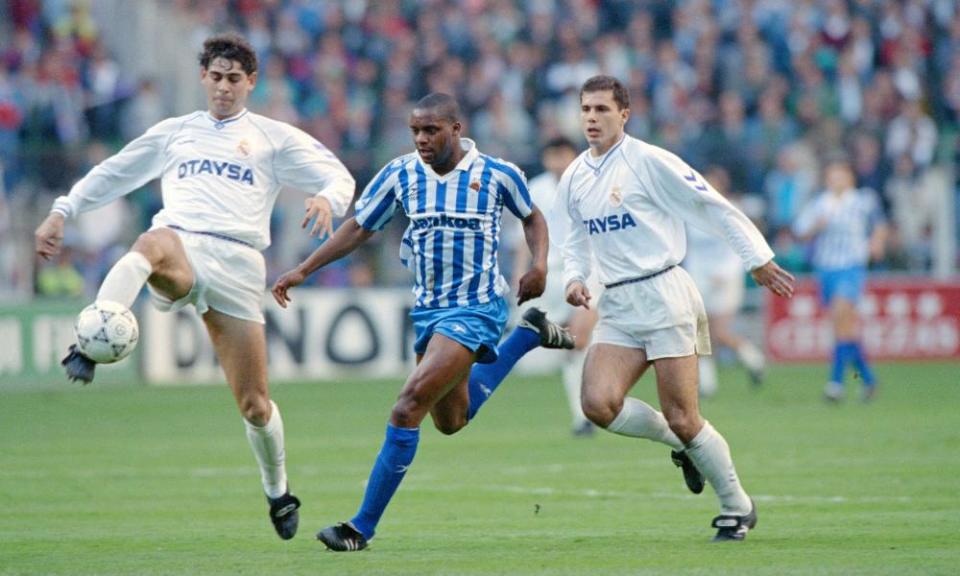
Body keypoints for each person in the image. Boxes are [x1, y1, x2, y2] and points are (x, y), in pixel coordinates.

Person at [33, 33, 356, 541]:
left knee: (254, 404)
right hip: (181, 245)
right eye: (216, 77)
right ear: (203, 78)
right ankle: (89, 343)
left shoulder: (273, 137)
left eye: (234, 79)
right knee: (151, 243)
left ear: (250, 82)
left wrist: (326, 199)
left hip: (239, 265)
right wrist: (63, 210)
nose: (223, 87)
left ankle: (278, 492)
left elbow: (336, 174)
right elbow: (116, 172)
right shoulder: (175, 132)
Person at [271, 93, 574, 552]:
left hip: (477, 308)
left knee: (407, 404)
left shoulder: (496, 174)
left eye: (430, 130)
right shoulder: (401, 173)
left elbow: (532, 217)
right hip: (429, 310)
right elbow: (359, 226)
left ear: (455, 128)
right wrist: (304, 269)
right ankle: (528, 334)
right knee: (450, 421)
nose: (421, 139)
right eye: (415, 131)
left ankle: (360, 528)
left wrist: (540, 264)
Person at [558, 75, 795, 542]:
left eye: (602, 109)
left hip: (665, 293)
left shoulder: (649, 161)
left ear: (624, 114)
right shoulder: (575, 175)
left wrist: (756, 258)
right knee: (597, 404)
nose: (591, 118)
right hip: (620, 303)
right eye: (586, 109)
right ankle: (680, 447)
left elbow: (711, 204)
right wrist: (574, 278)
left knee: (686, 416)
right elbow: (575, 241)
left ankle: (737, 506)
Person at [511, 136, 600, 436]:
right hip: (550, 275)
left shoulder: (591, 182)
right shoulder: (535, 189)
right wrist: (520, 273)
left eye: (563, 154)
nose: (557, 162)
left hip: (589, 272)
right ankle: (583, 416)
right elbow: (525, 237)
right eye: (552, 155)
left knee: (580, 339)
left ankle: (589, 409)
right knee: (571, 347)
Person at [793, 157, 887, 402]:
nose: (835, 180)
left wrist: (877, 242)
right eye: (831, 175)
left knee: (840, 317)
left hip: (852, 267)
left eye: (840, 175)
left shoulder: (863, 200)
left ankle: (835, 383)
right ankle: (868, 379)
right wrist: (816, 226)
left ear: (849, 178)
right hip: (826, 269)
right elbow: (800, 232)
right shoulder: (819, 204)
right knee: (843, 328)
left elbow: (880, 224)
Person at [682, 165, 766, 397]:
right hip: (700, 279)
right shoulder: (690, 213)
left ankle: (754, 360)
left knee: (719, 333)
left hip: (726, 280)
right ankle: (707, 385)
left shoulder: (731, 211)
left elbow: (741, 246)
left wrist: (726, 273)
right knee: (699, 331)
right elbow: (688, 249)